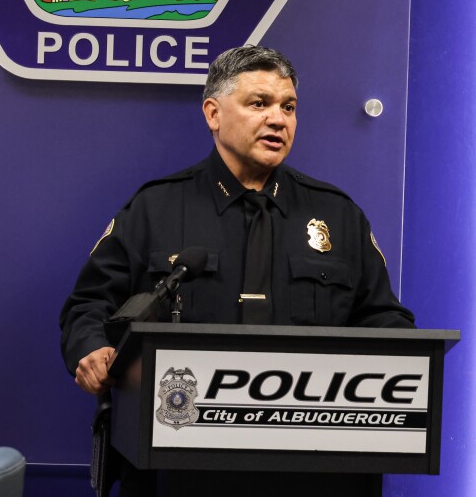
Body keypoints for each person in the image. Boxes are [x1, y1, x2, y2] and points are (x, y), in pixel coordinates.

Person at [59, 45, 415, 496]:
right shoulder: (156, 207)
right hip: (179, 462)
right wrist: (91, 349)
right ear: (213, 113)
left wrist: (402, 362)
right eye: (259, 104)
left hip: (312, 468)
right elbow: (88, 305)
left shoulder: (339, 216)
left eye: (288, 107)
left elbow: (383, 318)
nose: (278, 119)